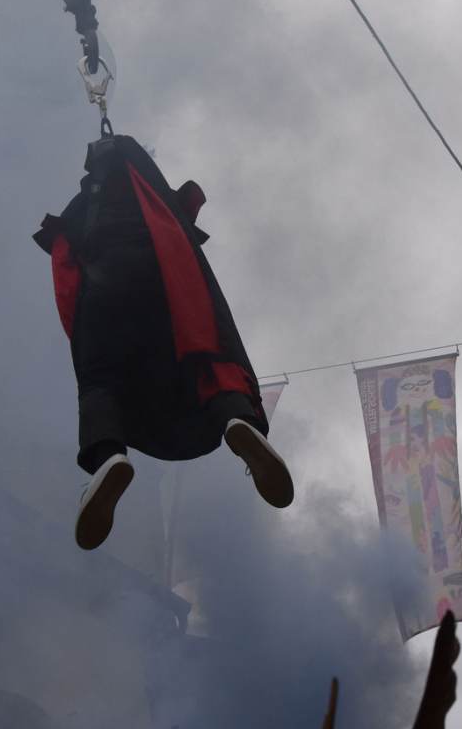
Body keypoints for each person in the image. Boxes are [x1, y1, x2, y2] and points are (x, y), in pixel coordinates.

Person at [34, 132, 293, 549]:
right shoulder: (157, 197)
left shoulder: (82, 207)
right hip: (165, 283)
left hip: (103, 290)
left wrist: (80, 332)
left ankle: (107, 456)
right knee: (206, 358)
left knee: (100, 380)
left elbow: (64, 269)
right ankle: (239, 420)